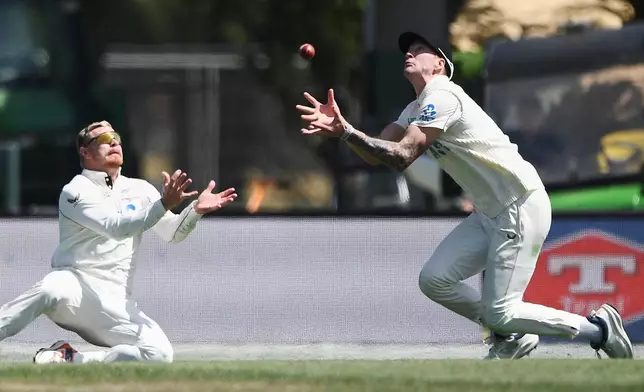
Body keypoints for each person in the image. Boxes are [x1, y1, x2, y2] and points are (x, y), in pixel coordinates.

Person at [295, 32, 633, 360]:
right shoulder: (416, 107)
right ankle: (510, 336)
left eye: (419, 48)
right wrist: (345, 133)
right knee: (435, 280)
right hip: (490, 213)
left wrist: (349, 131)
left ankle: (598, 329)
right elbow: (377, 153)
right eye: (407, 50)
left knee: (501, 311)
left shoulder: (442, 96)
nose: (409, 53)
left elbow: (401, 156)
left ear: (440, 64)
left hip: (519, 205)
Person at [0, 121, 237, 364]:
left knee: (160, 355)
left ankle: (70, 358)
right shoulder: (75, 191)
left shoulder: (141, 189)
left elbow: (173, 233)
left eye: (116, 137)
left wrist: (195, 210)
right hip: (75, 290)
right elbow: (116, 227)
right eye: (103, 139)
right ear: (85, 152)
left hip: (115, 304)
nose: (113, 142)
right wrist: (163, 204)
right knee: (52, 287)